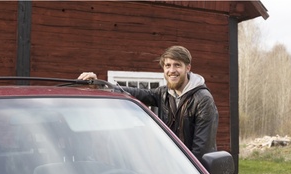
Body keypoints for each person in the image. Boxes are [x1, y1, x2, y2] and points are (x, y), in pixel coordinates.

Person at [77, 46, 219, 162]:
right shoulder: (163, 94)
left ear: (188, 68)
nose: (172, 70)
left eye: (177, 65)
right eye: (167, 65)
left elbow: (201, 149)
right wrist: (101, 85)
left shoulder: (203, 99)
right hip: (175, 169)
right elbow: (135, 93)